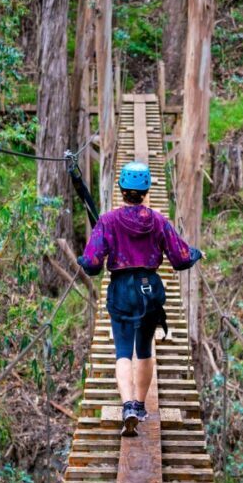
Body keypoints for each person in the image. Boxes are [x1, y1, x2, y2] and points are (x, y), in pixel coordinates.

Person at [78, 161, 203, 436]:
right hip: (149, 291)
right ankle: (140, 405)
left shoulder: (107, 222)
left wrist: (84, 260)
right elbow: (181, 259)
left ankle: (127, 408)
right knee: (144, 349)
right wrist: (195, 253)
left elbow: (92, 263)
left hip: (121, 291)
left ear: (122, 190)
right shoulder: (158, 221)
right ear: (146, 191)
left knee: (123, 352)